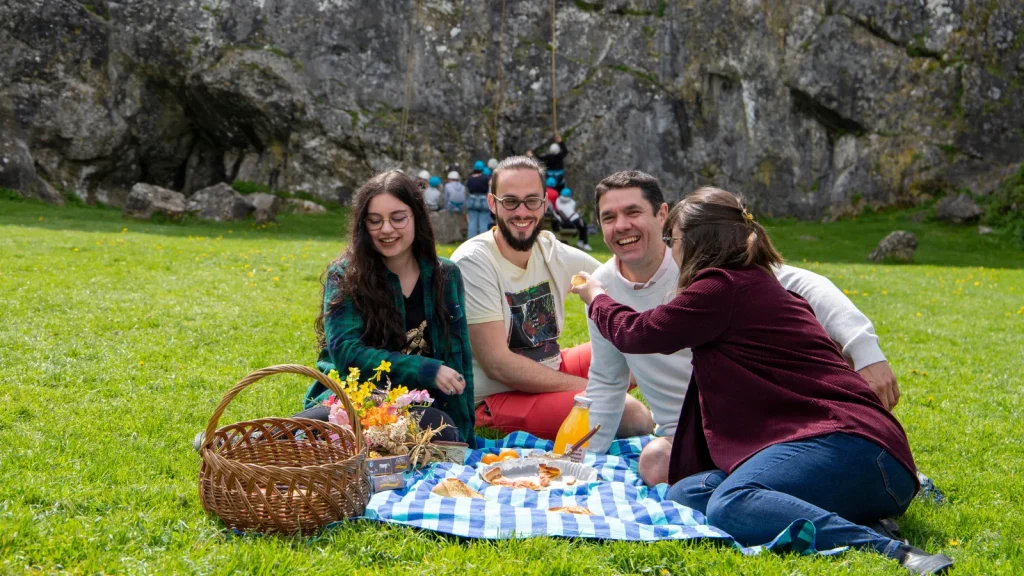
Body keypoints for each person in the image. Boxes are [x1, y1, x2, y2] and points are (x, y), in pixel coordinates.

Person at [571, 187, 952, 574]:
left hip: (858, 448)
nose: (671, 249)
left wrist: (596, 296)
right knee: (686, 490)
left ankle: (895, 552)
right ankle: (859, 520)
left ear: (698, 241)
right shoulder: (744, 281)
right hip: (841, 456)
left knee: (730, 502)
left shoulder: (720, 287)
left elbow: (639, 333)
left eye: (674, 239)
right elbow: (611, 374)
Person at [582, 171, 904, 488]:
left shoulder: (712, 272)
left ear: (662, 214)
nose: (621, 225)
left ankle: (786, 487)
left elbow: (810, 286)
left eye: (633, 212)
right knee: (659, 468)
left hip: (760, 421)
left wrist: (865, 351)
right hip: (687, 432)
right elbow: (608, 380)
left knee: (731, 487)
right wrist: (584, 458)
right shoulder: (604, 283)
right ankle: (755, 493)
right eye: (608, 217)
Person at [451, 155, 653, 440]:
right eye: (510, 201)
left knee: (642, 351)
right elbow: (499, 365)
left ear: (545, 203)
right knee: (633, 417)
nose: (522, 212)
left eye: (532, 201)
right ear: (492, 204)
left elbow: (616, 280)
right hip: (498, 396)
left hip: (550, 366)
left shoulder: (548, 248)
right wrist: (591, 386)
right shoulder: (474, 262)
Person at [302, 170, 475, 444]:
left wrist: (466, 438)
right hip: (353, 396)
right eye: (374, 221)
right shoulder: (345, 274)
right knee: (308, 434)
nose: (386, 229)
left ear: (417, 217)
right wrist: (427, 370)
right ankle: (240, 443)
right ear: (363, 225)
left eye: (398, 218)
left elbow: (458, 357)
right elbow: (346, 353)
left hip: (418, 404)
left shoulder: (446, 275)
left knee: (442, 430)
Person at [554, 187, 592, 252]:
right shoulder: (572, 202)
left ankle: (581, 242)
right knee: (584, 225)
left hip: (567, 220)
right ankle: (585, 243)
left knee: (582, 226)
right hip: (574, 219)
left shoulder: (557, 200)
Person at [465, 160, 491, 238]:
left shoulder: (470, 179)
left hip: (472, 200)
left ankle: (471, 242)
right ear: (483, 168)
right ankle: (484, 241)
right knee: (484, 222)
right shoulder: (486, 178)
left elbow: (468, 190)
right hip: (483, 201)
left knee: (472, 222)